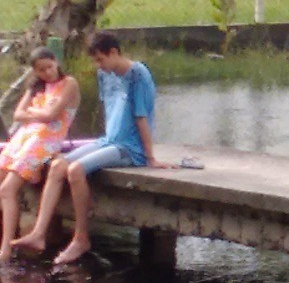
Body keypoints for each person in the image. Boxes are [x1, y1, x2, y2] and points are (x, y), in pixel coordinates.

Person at [13, 33, 175, 264]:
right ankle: (39, 232)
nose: (98, 66)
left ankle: (81, 238)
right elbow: (110, 110)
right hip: (109, 140)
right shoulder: (105, 74)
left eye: (100, 59)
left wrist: (150, 157)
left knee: (75, 169)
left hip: (130, 147)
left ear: (114, 53)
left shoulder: (138, 75)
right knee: (58, 165)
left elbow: (141, 117)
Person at [0, 48, 81, 262]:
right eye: (41, 70)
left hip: (46, 141)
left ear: (56, 62)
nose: (47, 73)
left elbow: (50, 115)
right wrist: (37, 114)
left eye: (49, 67)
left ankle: (5, 249)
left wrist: (33, 113)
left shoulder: (69, 84)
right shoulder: (36, 86)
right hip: (24, 138)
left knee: (7, 189)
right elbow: (17, 114)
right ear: (35, 71)